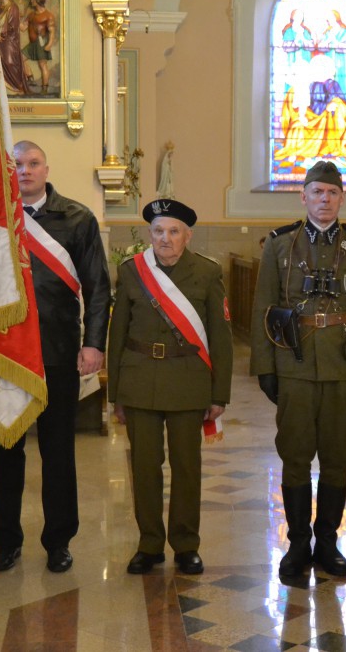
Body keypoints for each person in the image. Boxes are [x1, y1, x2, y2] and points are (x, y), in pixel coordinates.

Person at [0, 140, 111, 573]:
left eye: (34, 163)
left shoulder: (77, 218)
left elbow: (97, 287)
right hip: (2, 354)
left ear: (46, 168)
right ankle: (6, 540)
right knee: (4, 451)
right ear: (8, 170)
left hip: (56, 354)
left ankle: (58, 542)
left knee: (57, 453)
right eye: (18, 164)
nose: (26, 170)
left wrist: (93, 343)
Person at [250, 160, 346, 578]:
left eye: (331, 193)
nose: (324, 199)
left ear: (341, 198)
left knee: (337, 455)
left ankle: (327, 542)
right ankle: (297, 543)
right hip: (294, 363)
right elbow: (263, 308)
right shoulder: (279, 245)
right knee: (294, 455)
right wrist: (265, 367)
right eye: (317, 192)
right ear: (303, 196)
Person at [108, 199, 233, 575]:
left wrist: (219, 394)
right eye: (159, 231)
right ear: (150, 234)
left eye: (174, 231)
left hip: (188, 382)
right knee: (145, 467)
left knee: (186, 466)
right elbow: (118, 334)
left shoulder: (207, 273)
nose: (166, 238)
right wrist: (115, 394)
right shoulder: (132, 272)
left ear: (187, 236)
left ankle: (185, 544)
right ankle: (149, 544)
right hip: (140, 380)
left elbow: (220, 336)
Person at [0, 0, 29, 96]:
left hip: (10, 40)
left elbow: (13, 24)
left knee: (10, 62)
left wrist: (2, 34)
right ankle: (4, 88)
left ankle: (16, 87)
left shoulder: (12, 7)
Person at [21, 0, 56, 94]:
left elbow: (52, 32)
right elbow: (23, 28)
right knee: (20, 58)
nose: (31, 1)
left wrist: (49, 44)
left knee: (42, 65)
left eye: (33, 0)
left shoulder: (48, 16)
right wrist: (17, 19)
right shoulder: (31, 15)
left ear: (38, 1)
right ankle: (30, 77)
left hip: (41, 43)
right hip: (32, 44)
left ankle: (44, 88)